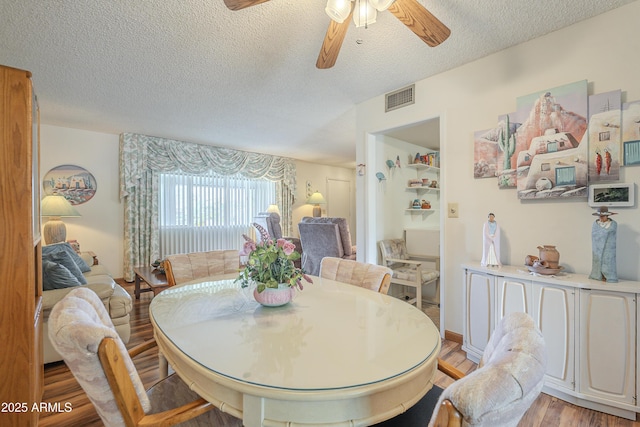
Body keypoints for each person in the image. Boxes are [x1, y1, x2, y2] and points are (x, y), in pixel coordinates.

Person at [589, 206, 618, 282]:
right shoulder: (595, 224)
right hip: (597, 248)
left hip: (608, 247)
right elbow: (594, 234)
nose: (601, 218)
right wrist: (603, 233)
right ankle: (597, 275)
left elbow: (611, 233)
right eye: (600, 216)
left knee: (608, 262)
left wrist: (603, 233)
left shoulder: (613, 224)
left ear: (607, 216)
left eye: (602, 216)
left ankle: (609, 276)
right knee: (597, 261)